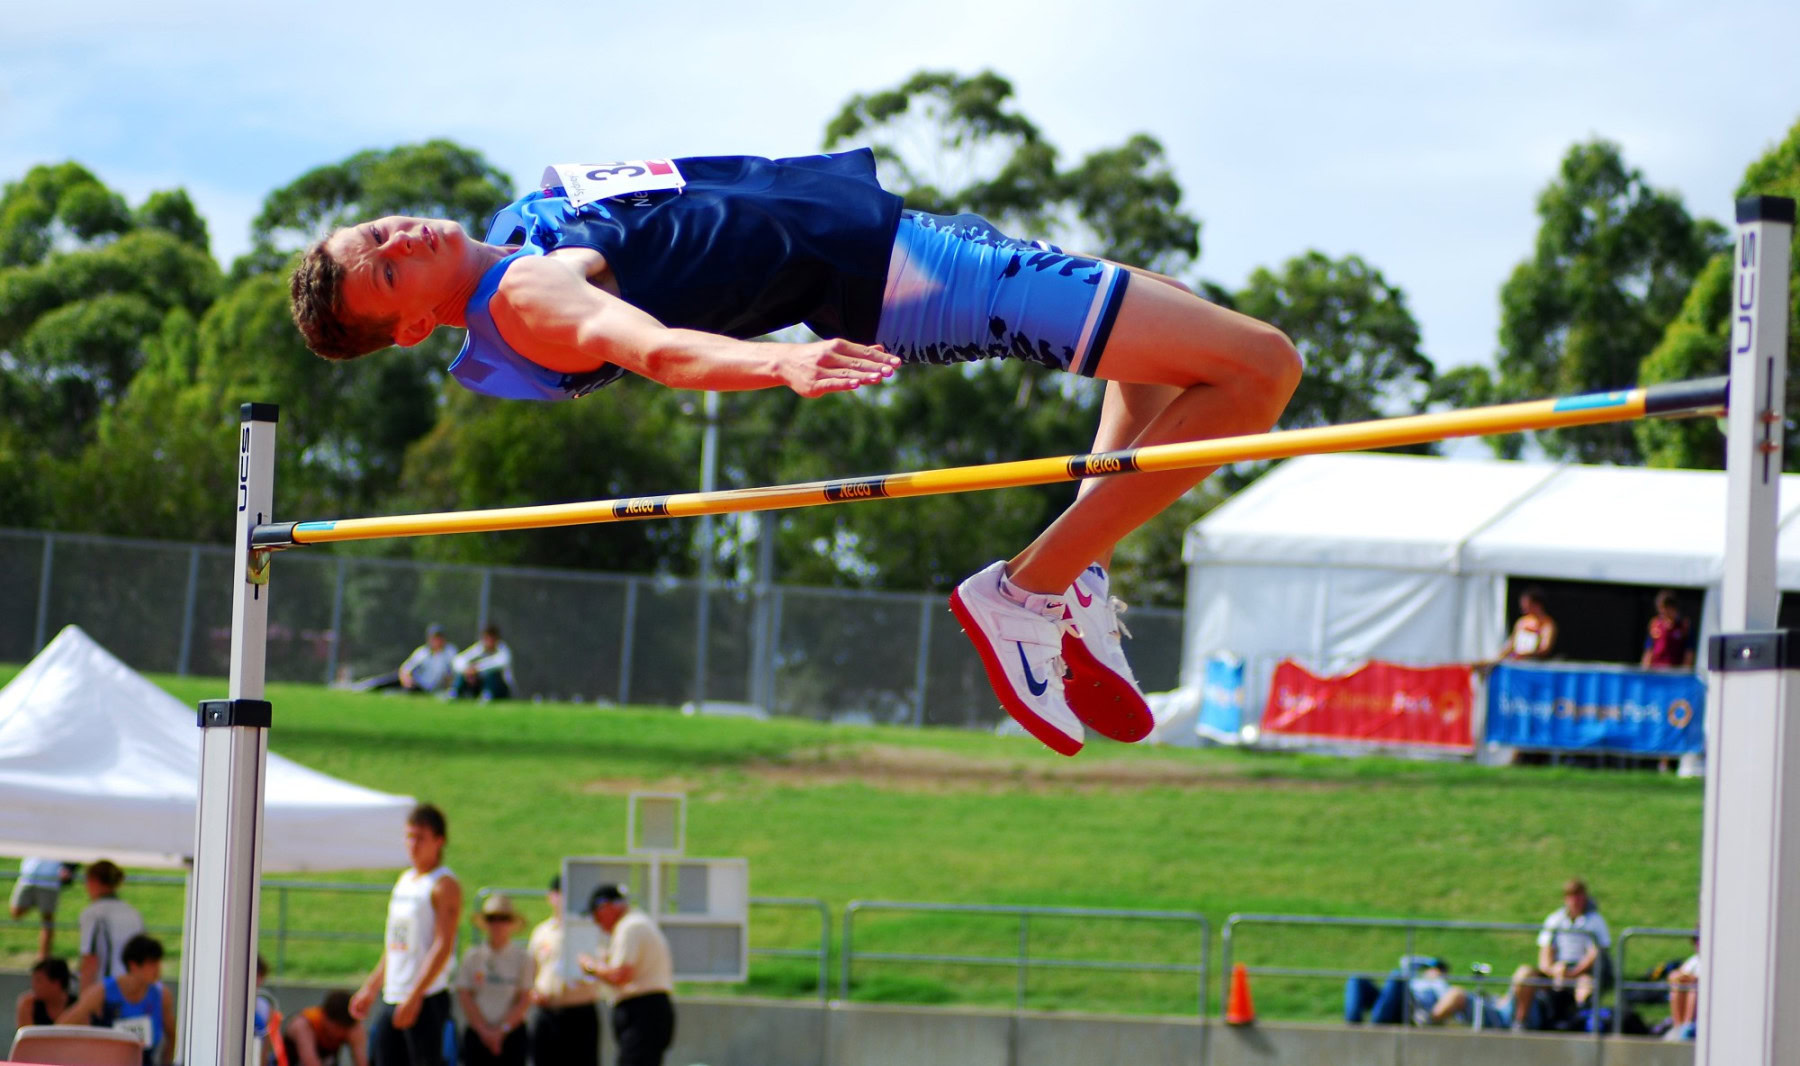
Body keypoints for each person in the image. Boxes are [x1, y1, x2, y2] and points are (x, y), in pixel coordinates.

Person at [288, 149, 1303, 757]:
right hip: (907, 276)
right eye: (383, 271)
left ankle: (1077, 569)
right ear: (412, 327)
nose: (398, 240)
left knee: (1158, 356)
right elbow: (656, 351)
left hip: (889, 243)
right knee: (1260, 367)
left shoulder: (519, 232)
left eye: (377, 231)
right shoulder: (524, 296)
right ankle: (1031, 585)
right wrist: (780, 368)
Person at [350, 803, 462, 1066]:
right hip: (395, 993)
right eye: (409, 836)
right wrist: (371, 987)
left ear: (439, 841)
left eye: (420, 838)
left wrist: (415, 996)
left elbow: (443, 945)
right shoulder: (404, 881)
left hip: (425, 995)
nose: (412, 844)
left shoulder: (443, 884)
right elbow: (395, 944)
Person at [578, 884, 675, 1066]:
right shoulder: (635, 924)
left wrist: (591, 967)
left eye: (595, 914)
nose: (596, 922)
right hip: (647, 1009)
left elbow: (621, 975)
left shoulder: (629, 927)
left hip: (643, 1010)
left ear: (606, 907)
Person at [1509, 877, 1612, 1031]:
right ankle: (1520, 1021)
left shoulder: (1595, 921)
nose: (1575, 901)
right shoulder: (1555, 919)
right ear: (1566, 898)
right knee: (1524, 974)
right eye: (1572, 896)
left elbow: (1595, 954)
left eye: (1579, 896)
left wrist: (1572, 973)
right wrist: (1553, 971)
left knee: (1586, 986)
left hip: (1580, 971)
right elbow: (1545, 951)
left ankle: (1579, 1024)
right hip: (1556, 971)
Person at [58, 933, 176, 1066]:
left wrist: (167, 1062)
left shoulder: (161, 995)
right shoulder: (101, 992)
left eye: (158, 962)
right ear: (133, 965)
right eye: (152, 963)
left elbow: (172, 1036)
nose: (158, 969)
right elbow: (63, 1025)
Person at [526, 874, 602, 1066]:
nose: (563, 898)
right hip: (548, 1010)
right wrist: (533, 993)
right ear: (551, 897)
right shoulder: (541, 932)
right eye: (559, 893)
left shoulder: (589, 929)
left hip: (579, 1011)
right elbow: (531, 972)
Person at [456, 894, 535, 1066]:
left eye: (503, 919)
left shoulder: (523, 958)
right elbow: (465, 995)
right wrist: (483, 1030)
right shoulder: (472, 956)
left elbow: (524, 998)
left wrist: (502, 1030)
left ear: (512, 923)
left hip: (511, 1034)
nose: (498, 925)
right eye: (492, 919)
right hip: (478, 1032)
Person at [76, 859, 145, 991]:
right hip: (133, 990)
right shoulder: (133, 913)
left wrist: (84, 1002)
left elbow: (90, 960)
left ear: (94, 880)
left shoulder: (94, 913)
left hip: (106, 992)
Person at [356, 624, 462, 694]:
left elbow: (452, 672)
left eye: (439, 638)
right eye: (434, 638)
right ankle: (362, 687)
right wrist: (407, 679)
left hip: (427, 689)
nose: (437, 641)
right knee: (388, 681)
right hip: (415, 683)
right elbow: (405, 669)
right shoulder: (423, 652)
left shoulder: (450, 652)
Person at [9, 857, 76, 959]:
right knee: (16, 912)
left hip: (50, 880)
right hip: (28, 876)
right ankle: (35, 903)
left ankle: (43, 958)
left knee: (47, 919)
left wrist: (69, 868)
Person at [283, 990, 370, 1066]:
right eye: (338, 1028)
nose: (340, 1034)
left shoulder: (352, 1028)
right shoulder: (303, 1025)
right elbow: (310, 1063)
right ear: (325, 1017)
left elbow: (362, 1063)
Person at [452, 625, 514, 701]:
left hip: (500, 688)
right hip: (479, 685)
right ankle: (454, 692)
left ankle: (487, 695)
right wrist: (467, 670)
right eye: (487, 638)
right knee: (463, 674)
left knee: (492, 674)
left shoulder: (503, 650)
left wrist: (476, 668)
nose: (489, 642)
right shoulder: (479, 648)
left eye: (492, 639)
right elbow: (458, 660)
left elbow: (499, 663)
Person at [1498, 586, 1557, 663]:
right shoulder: (1522, 622)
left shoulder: (1547, 624)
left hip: (1534, 664)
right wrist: (1500, 657)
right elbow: (1511, 644)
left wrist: (1526, 655)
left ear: (1537, 604)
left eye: (1526, 603)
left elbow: (1544, 649)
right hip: (1516, 662)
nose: (1522, 606)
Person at [14, 956, 74, 1028]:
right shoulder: (28, 1004)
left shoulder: (77, 1006)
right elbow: (27, 1036)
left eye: (39, 981)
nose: (34, 985)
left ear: (56, 983)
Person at [1642, 591, 1694, 670]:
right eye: (1659, 608)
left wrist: (1684, 672)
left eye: (1663, 608)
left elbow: (1689, 652)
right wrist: (1645, 670)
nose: (1661, 612)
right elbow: (1649, 650)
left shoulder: (1684, 626)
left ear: (1671, 607)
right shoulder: (1655, 624)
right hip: (1656, 670)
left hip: (1674, 672)